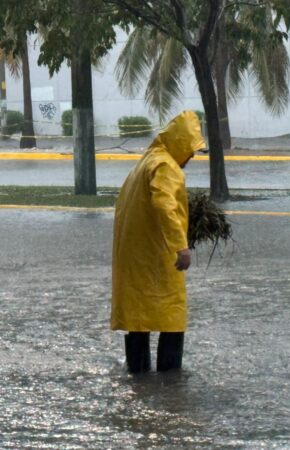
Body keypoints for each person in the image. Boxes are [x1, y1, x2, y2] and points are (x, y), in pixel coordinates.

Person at [111, 110, 205, 373]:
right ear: (180, 144)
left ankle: (138, 376)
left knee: (138, 319)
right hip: (156, 255)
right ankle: (169, 379)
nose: (192, 156)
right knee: (172, 317)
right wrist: (180, 245)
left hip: (136, 256)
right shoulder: (166, 166)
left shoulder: (148, 160)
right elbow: (164, 205)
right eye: (191, 149)